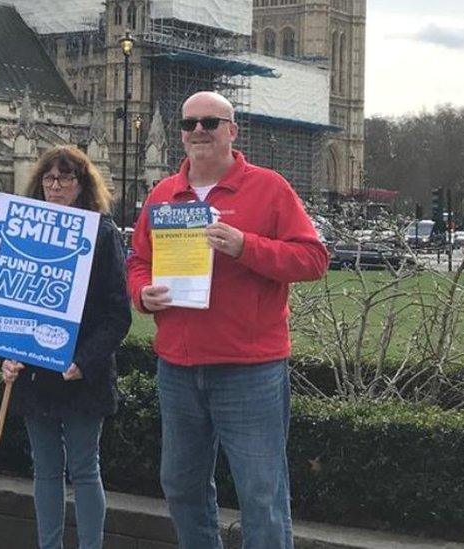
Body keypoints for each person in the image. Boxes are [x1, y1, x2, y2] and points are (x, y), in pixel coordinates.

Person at [126, 91, 328, 549]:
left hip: (249, 370)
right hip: (177, 367)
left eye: (211, 123)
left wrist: (246, 247)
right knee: (181, 486)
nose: (199, 130)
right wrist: (142, 292)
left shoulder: (269, 187)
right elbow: (138, 260)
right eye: (190, 123)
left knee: (262, 493)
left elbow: (314, 259)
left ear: (232, 131)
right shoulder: (163, 193)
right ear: (179, 133)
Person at [0, 146, 131, 549]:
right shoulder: (20, 231)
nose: (55, 187)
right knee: (44, 470)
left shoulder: (102, 233)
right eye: (49, 179)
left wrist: (82, 361)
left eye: (66, 179)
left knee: (84, 469)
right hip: (35, 372)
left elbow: (117, 315)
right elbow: (5, 303)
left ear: (82, 184)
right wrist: (5, 353)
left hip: (79, 374)